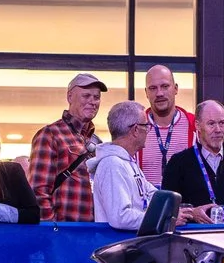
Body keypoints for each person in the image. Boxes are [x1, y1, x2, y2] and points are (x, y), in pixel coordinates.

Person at [162, 100, 224, 225]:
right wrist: (192, 214)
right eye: (211, 124)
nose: (218, 129)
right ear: (198, 126)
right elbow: (168, 210)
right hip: (195, 240)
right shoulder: (178, 163)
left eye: (222, 123)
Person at [30, 74, 106, 224]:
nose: (92, 102)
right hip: (65, 233)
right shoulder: (50, 134)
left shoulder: (97, 142)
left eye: (96, 97)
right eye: (86, 96)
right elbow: (38, 191)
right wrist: (53, 232)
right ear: (70, 97)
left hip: (94, 232)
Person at [88, 100, 159, 230]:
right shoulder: (112, 165)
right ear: (136, 130)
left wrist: (180, 210)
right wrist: (161, 220)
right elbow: (120, 217)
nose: (148, 131)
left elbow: (153, 195)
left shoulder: (128, 162)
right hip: (118, 247)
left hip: (132, 246)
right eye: (146, 126)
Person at [134, 65, 193, 186]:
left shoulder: (195, 126)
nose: (159, 93)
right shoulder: (134, 128)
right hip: (146, 204)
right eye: (153, 88)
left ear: (176, 88)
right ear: (146, 92)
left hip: (187, 203)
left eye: (165, 86)